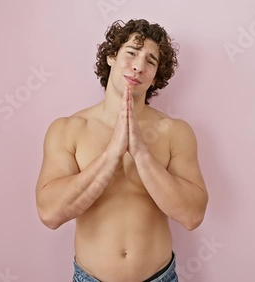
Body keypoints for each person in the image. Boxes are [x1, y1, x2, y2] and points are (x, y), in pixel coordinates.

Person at [35, 19, 208, 282]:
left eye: (151, 61)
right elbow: (50, 214)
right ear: (111, 57)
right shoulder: (68, 129)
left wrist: (140, 152)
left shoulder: (175, 132)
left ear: (156, 76)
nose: (139, 66)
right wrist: (112, 154)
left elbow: (192, 215)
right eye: (131, 53)